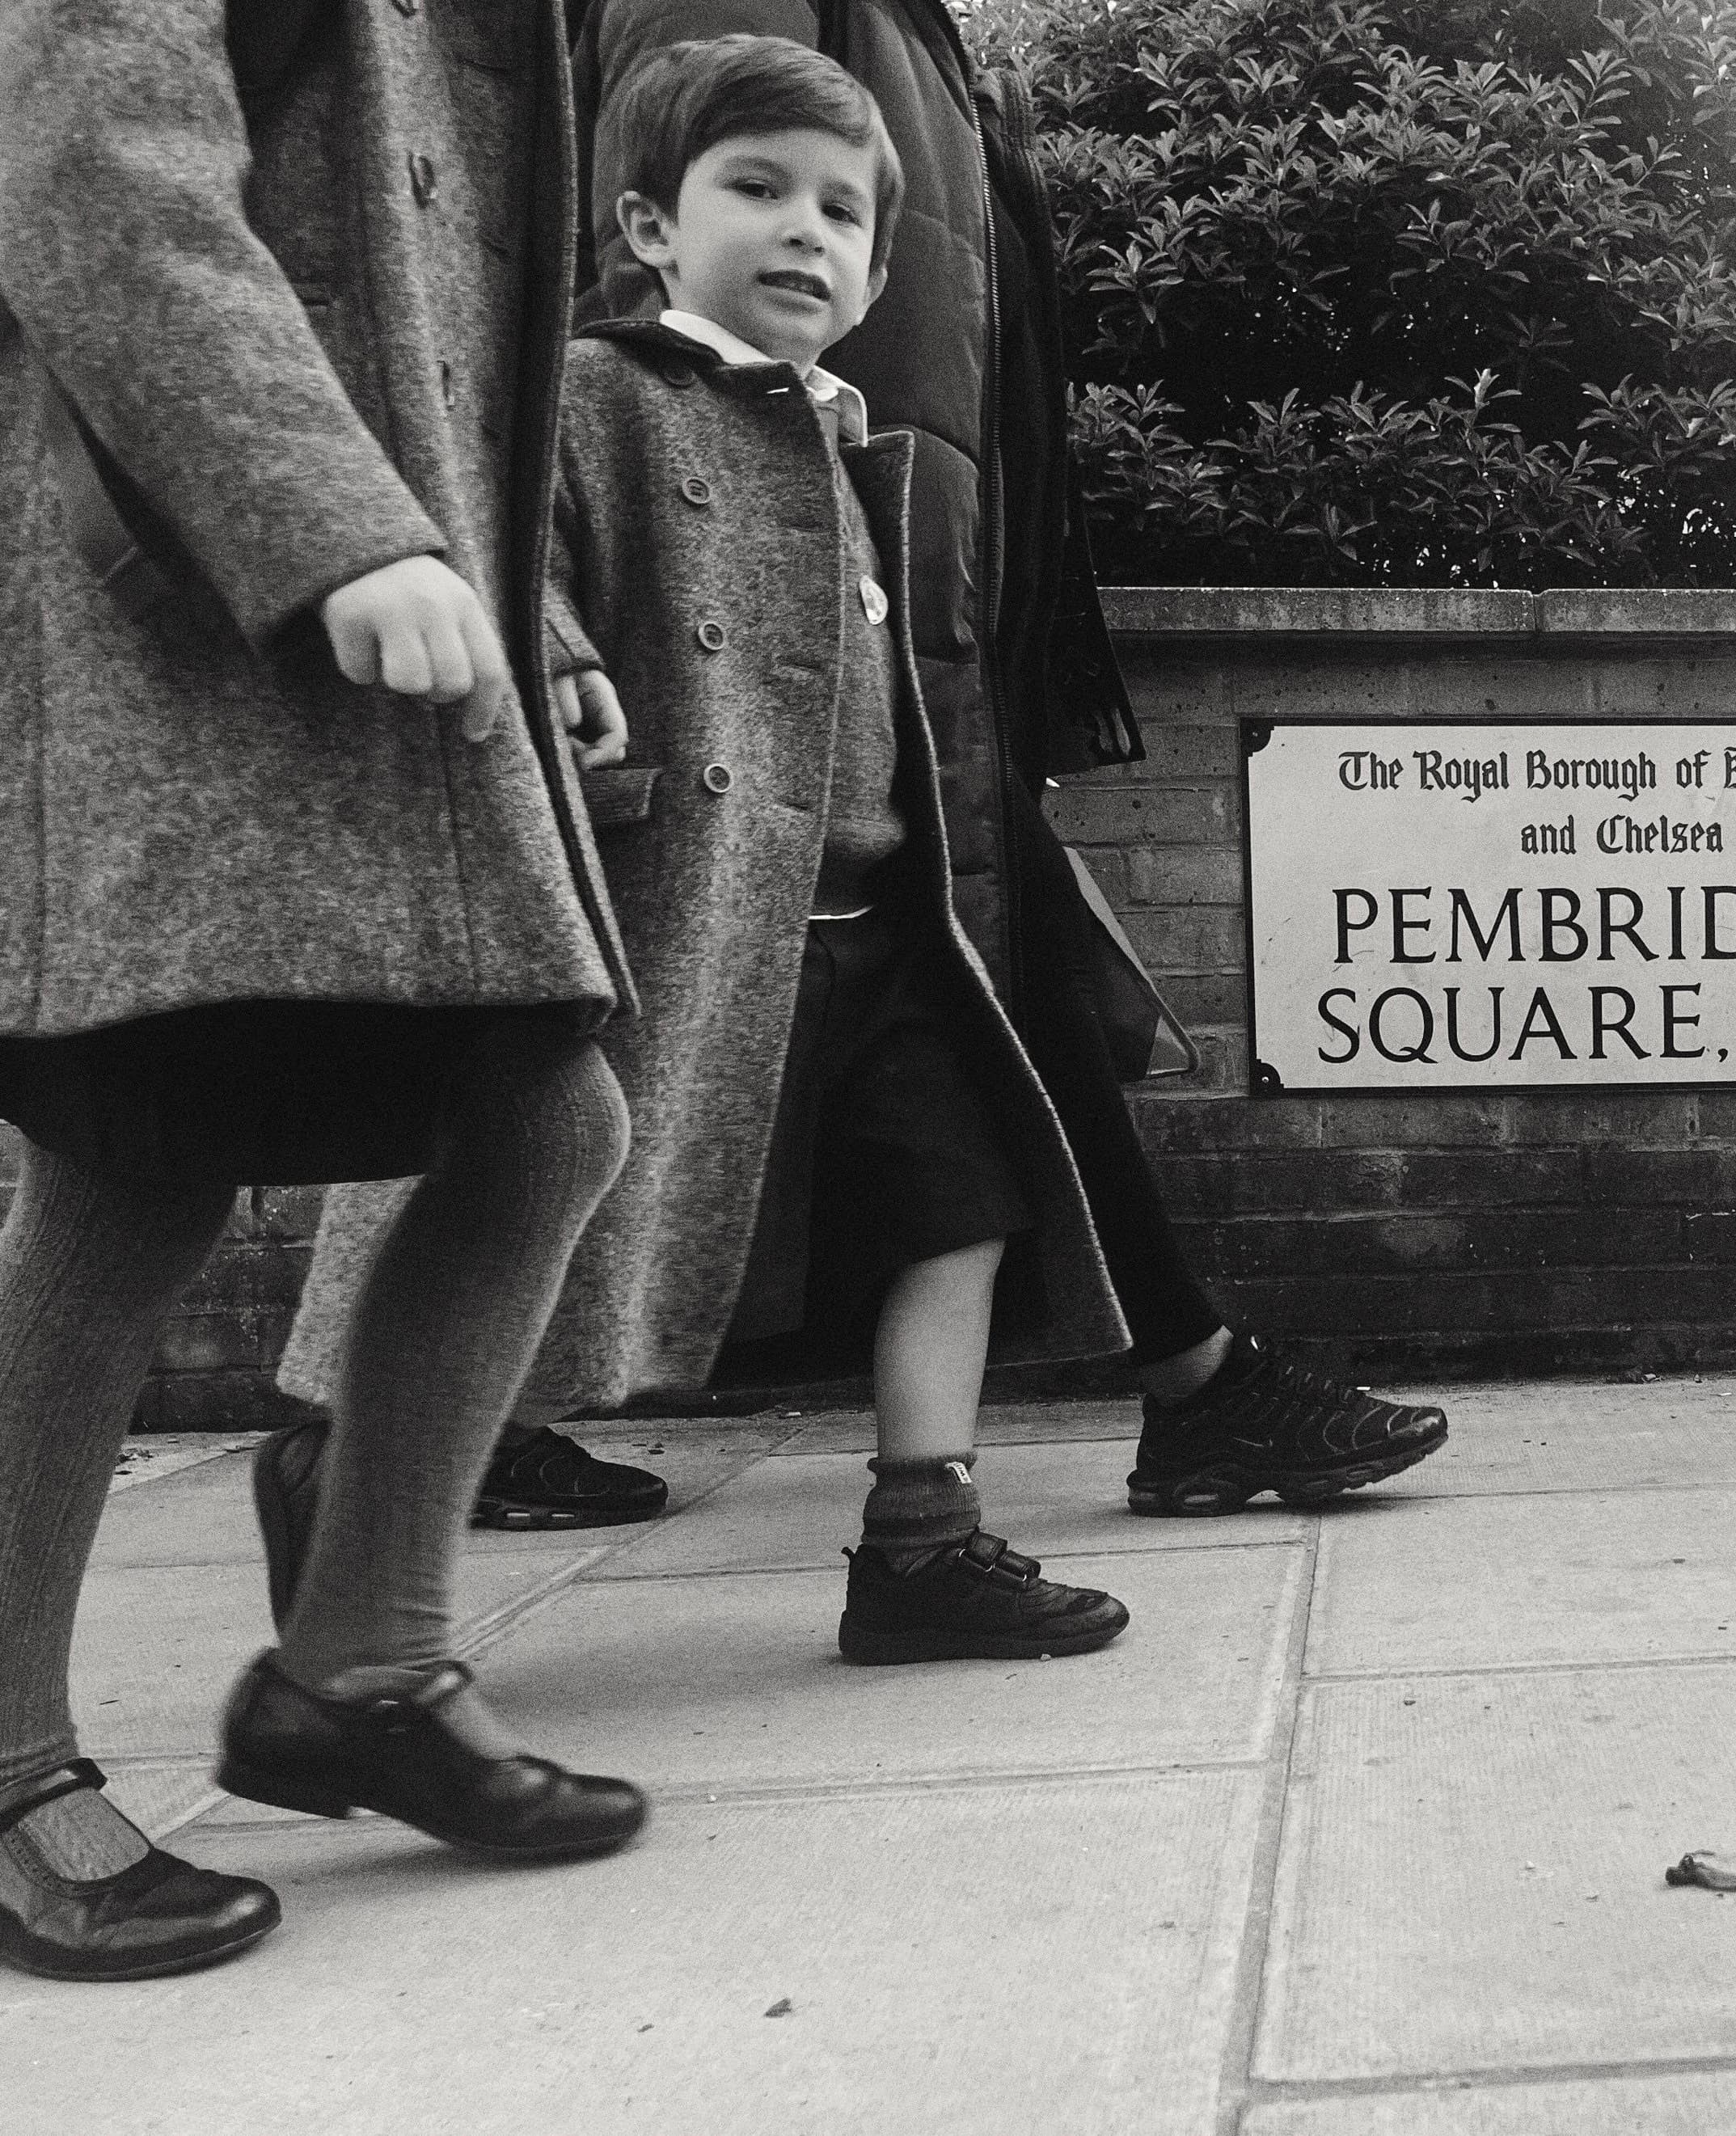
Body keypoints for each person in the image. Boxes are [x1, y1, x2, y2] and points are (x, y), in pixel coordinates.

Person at [280, 0, 1453, 1537]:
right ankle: (366, 1449)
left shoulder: (852, 384)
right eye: (765, 195)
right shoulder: (619, 376)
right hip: (672, 835)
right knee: (545, 1146)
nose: (807, 230)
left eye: (840, 213)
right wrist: (558, 643)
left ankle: (928, 1531)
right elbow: (516, 488)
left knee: (954, 1178)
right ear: (651, 223)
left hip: (873, 761)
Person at [0, 0, 650, 1982]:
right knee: (135, 1157)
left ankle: (360, 1668)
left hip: (374, 630)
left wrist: (524, 606)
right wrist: (339, 526)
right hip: (181, 626)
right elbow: (89, 178)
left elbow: (438, 334)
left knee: (548, 1116)